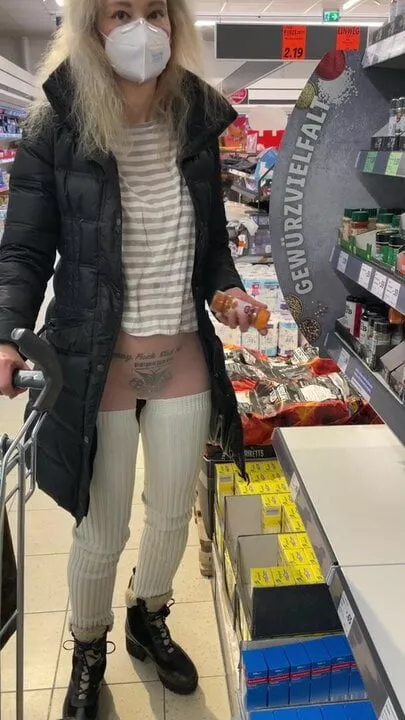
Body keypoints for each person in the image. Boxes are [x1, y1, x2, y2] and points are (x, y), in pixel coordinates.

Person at [0, 0, 267, 717]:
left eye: (155, 11)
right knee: (100, 528)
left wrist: (230, 295)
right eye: (120, 12)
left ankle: (150, 614)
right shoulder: (57, 125)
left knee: (172, 513)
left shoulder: (195, 123)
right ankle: (89, 647)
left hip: (180, 354)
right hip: (95, 361)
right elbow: (23, 249)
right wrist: (5, 333)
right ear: (92, 26)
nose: (141, 28)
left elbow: (212, 250)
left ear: (175, 23)